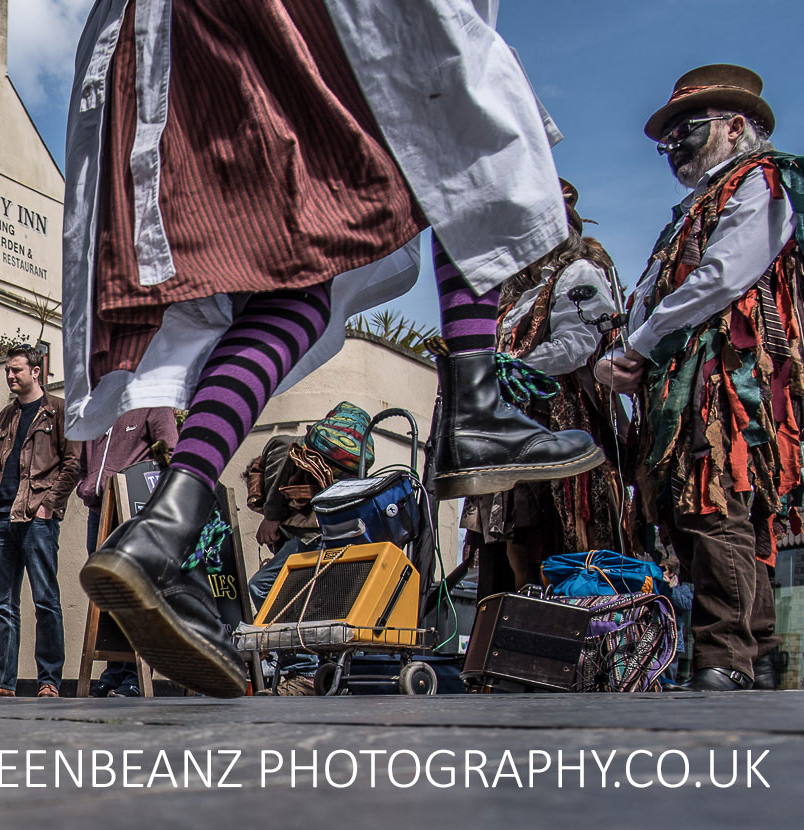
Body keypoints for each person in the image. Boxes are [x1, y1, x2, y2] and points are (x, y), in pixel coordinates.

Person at [64, 0, 601, 698]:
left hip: (174, 36)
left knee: (299, 282)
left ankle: (164, 530)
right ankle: (475, 402)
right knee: (461, 122)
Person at [596, 65, 799, 692]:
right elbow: (662, 293)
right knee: (688, 508)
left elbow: (722, 277)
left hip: (725, 375)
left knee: (716, 502)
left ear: (736, 126)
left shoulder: (763, 182)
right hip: (681, 377)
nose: (673, 146)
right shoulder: (692, 209)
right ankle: (754, 657)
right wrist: (629, 351)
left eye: (687, 129)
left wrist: (640, 343)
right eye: (667, 138)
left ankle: (724, 660)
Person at [463, 181, 626, 595]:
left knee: (543, 538)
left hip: (552, 424)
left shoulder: (578, 274)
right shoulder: (515, 298)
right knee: (504, 543)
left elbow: (577, 345)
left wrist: (511, 368)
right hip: (507, 437)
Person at [0, 346, 79, 698]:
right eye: (7, 372)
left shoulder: (59, 410)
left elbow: (73, 464)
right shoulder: (5, 415)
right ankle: (0, 682)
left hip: (36, 518)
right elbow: (0, 463)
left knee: (45, 601)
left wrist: (48, 507)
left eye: (16, 370)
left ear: (36, 370)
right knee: (3, 605)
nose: (11, 376)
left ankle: (49, 682)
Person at [75, 406, 177, 698]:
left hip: (136, 512)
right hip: (101, 513)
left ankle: (136, 675)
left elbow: (170, 454)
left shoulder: (153, 402)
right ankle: (114, 672)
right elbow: (84, 463)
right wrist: (87, 487)